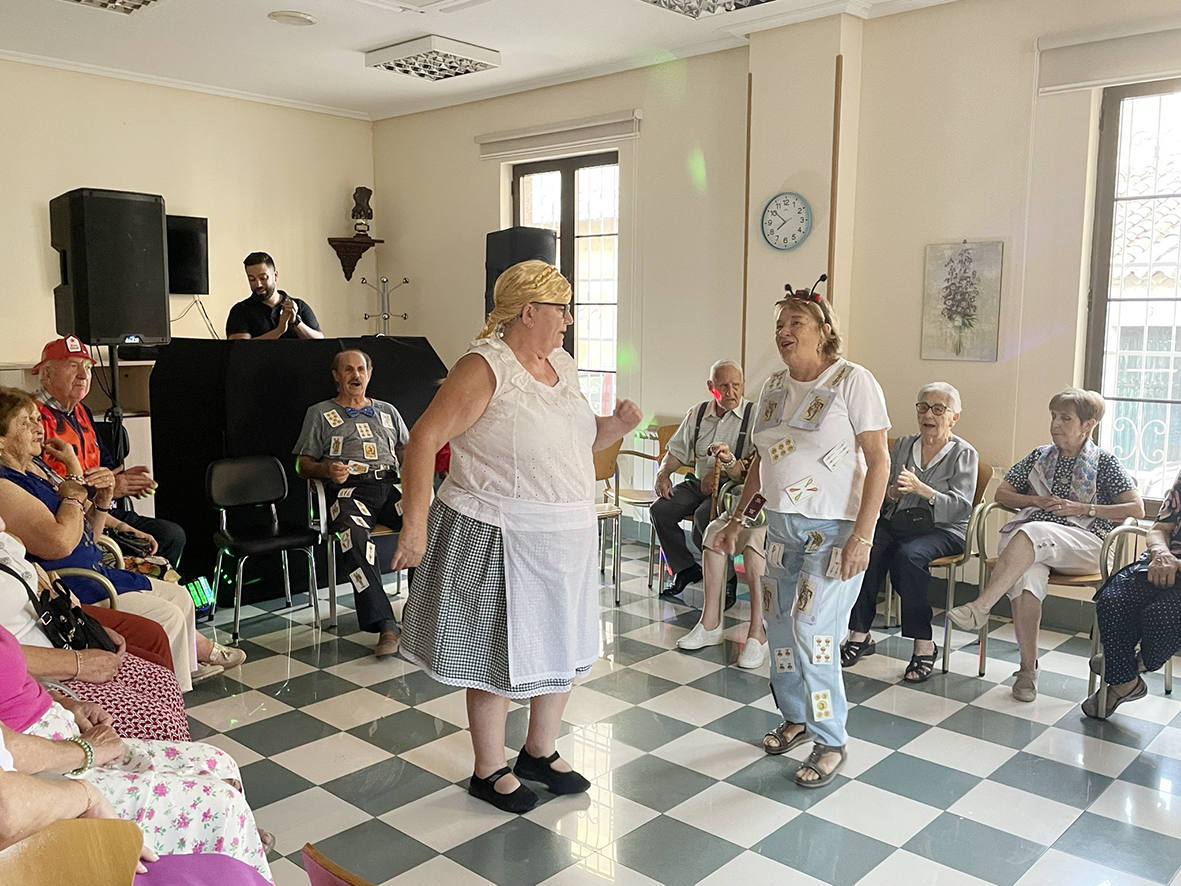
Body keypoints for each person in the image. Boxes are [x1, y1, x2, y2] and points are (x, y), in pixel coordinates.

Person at [395, 260, 641, 814]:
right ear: (528, 312)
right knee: (497, 655)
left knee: (562, 643)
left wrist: (616, 428)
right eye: (561, 310)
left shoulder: (562, 363)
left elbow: (577, 441)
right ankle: (488, 768)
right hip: (496, 533)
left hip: (563, 537)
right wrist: (414, 524)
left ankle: (539, 751)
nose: (569, 321)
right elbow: (422, 438)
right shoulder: (485, 367)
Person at [715, 287, 890, 788]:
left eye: (796, 322)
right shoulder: (772, 386)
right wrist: (738, 522)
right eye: (779, 325)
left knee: (813, 632)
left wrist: (863, 536)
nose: (784, 332)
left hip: (833, 532)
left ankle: (830, 738)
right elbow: (761, 466)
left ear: (824, 330)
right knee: (782, 630)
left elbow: (878, 462)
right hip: (780, 529)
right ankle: (796, 716)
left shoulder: (853, 381)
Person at [0, 388, 244, 691]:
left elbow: (90, 534)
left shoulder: (37, 469)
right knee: (165, 616)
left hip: (96, 570)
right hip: (71, 584)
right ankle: (172, 693)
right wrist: (75, 475)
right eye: (26, 422)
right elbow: (61, 544)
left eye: (38, 419)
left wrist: (102, 499)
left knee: (180, 596)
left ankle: (182, 676)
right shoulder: (4, 486)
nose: (39, 429)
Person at [0, 624, 272, 882]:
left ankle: (234, 846)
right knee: (222, 803)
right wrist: (86, 751)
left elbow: (13, 671)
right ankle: (226, 840)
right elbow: (8, 805)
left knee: (220, 762)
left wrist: (65, 703)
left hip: (57, 734)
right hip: (38, 768)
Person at [948, 388, 1143, 701]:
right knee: (1026, 577)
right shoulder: (1040, 456)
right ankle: (1027, 671)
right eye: (1053, 416)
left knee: (1032, 531)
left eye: (1065, 418)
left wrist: (1083, 508)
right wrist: (1035, 499)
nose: (1055, 424)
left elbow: (1136, 509)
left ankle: (981, 606)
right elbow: (1003, 494)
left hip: (1088, 545)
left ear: (1088, 424)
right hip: (1039, 545)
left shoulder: (1104, 462)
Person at [0, 525, 189, 742]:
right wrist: (76, 664)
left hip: (51, 635)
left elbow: (87, 540)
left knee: (161, 680)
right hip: (30, 675)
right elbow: (60, 545)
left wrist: (83, 626)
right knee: (157, 723)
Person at [842, 383, 978, 682]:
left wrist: (923, 490)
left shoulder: (964, 454)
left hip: (943, 529)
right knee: (867, 546)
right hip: (901, 520)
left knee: (909, 557)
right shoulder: (903, 444)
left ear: (954, 417)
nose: (928, 414)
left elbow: (961, 509)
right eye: (923, 407)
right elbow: (884, 493)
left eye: (938, 409)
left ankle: (923, 644)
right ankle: (859, 634)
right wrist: (892, 492)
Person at [294, 349, 410, 658]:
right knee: (351, 536)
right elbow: (301, 465)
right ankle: (386, 624)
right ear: (336, 376)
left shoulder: (388, 410)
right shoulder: (319, 413)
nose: (355, 375)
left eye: (361, 369)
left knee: (427, 524)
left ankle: (420, 615)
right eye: (348, 370)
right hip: (350, 491)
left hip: (390, 486)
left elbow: (407, 452)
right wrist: (325, 470)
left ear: (369, 374)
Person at [32, 336, 186, 568]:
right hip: (66, 516)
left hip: (102, 506)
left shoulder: (81, 411)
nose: (83, 376)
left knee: (170, 534)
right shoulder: (31, 419)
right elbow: (40, 485)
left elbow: (108, 464)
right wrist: (107, 488)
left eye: (86, 367)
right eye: (73, 366)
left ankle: (146, 590)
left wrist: (119, 480)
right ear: (47, 374)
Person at [1082, 468, 1181, 718]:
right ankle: (1126, 681)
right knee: (1113, 599)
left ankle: (1124, 671)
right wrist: (1161, 552)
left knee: (1164, 615)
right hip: (1161, 563)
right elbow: (1160, 529)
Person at [652, 360, 755, 600]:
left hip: (733, 489)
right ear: (711, 386)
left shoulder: (753, 415)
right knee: (661, 509)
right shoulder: (698, 413)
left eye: (736, 386)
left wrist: (721, 475)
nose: (731, 393)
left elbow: (753, 463)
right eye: (724, 386)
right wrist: (663, 473)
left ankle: (726, 581)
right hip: (698, 484)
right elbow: (677, 451)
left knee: (703, 517)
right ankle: (686, 568)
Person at [676, 455, 768, 669]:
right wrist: (738, 519)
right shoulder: (763, 431)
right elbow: (748, 475)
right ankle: (710, 624)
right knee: (714, 533)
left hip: (777, 512)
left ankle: (758, 632)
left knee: (754, 545)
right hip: (746, 506)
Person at [226, 252, 323, 340]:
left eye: (263, 278)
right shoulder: (240, 310)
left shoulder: (298, 305)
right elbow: (240, 349)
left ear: (275, 276)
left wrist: (296, 322)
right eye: (252, 279)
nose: (258, 284)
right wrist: (279, 330)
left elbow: (321, 342)